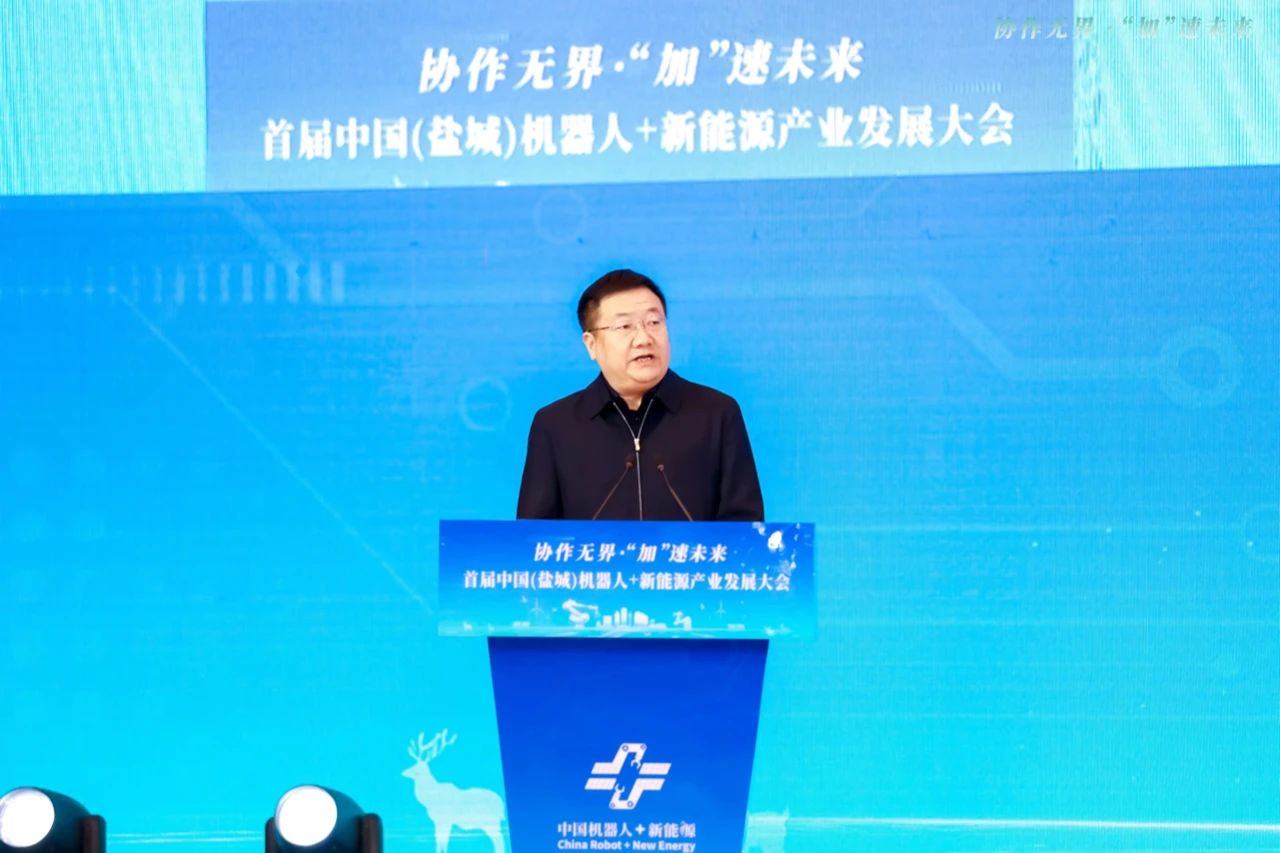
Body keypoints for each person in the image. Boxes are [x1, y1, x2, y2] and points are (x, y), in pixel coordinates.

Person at [517, 269, 764, 521]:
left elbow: (744, 528)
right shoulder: (556, 425)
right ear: (592, 344)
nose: (644, 338)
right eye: (625, 326)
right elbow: (533, 536)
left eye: (654, 322)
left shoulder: (716, 413)